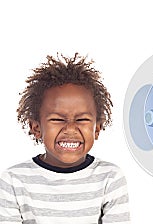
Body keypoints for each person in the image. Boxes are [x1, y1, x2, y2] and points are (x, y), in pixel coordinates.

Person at [0, 53, 131, 223]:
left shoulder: (110, 177)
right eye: (57, 119)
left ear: (97, 129)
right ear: (36, 127)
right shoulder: (14, 180)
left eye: (82, 119)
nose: (70, 129)